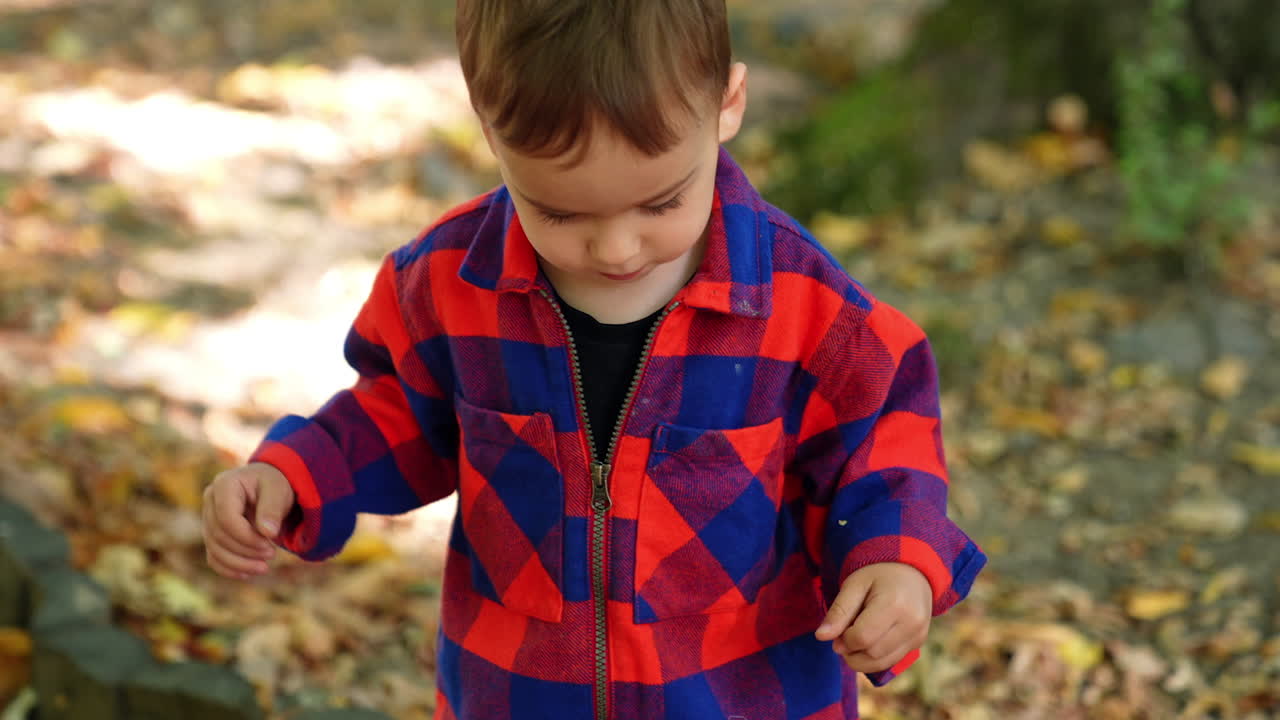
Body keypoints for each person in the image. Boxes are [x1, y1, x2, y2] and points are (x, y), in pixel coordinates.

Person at [201, 1, 986, 717]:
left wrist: (900, 564)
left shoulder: (805, 310)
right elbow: (395, 414)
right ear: (490, 132)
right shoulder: (446, 285)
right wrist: (293, 475)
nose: (615, 248)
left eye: (661, 202)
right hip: (517, 694)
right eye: (562, 211)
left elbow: (881, 452)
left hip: (743, 697)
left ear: (727, 107)